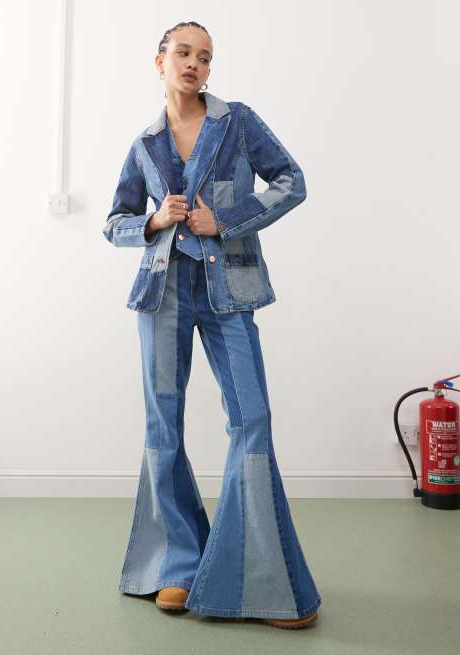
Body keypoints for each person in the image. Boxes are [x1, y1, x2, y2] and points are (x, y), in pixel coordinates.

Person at [102, 20, 322, 630]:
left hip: (230, 290)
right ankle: (175, 565)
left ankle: (260, 578)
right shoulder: (145, 144)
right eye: (183, 53)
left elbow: (291, 182)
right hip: (163, 293)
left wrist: (222, 220)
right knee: (163, 425)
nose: (194, 64)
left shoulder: (238, 122)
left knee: (252, 417)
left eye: (205, 56)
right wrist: (152, 222)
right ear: (160, 61)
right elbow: (115, 221)